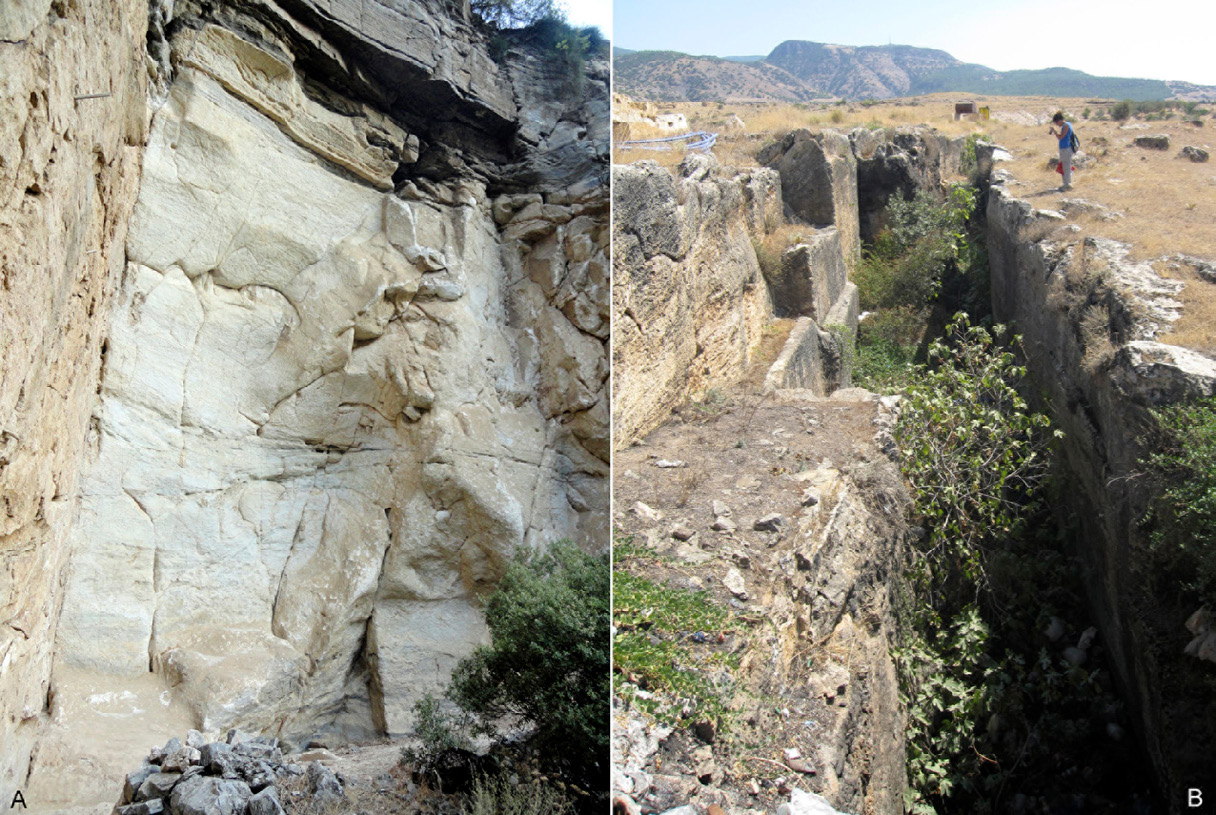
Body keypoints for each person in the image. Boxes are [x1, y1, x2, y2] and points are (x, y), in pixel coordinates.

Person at [1049, 112, 1076, 191]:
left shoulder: (1066, 126)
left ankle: (1068, 185)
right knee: (1064, 167)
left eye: (1057, 122)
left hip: (1066, 149)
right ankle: (1066, 184)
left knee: (1066, 167)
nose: (1057, 124)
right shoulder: (1066, 125)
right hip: (1063, 148)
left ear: (1060, 120)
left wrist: (1054, 132)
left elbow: (1061, 137)